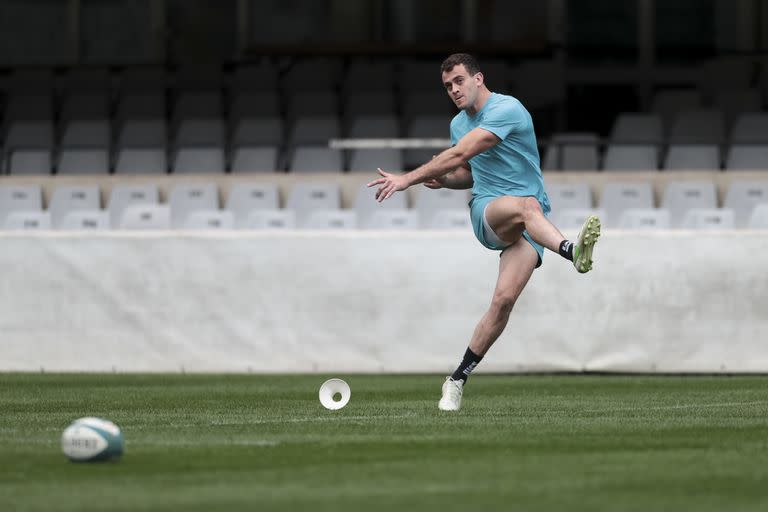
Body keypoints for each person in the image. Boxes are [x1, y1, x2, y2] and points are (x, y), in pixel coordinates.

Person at [367, 53, 600, 412]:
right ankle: (572, 251)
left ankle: (456, 378)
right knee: (526, 206)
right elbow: (472, 171)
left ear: (479, 79)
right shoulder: (459, 125)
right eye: (448, 86)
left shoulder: (508, 109)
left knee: (502, 302)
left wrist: (426, 179)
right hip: (490, 212)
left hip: (530, 222)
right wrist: (427, 181)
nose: (454, 90)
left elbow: (467, 161)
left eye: (459, 81)